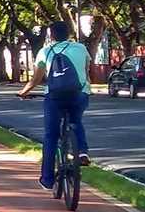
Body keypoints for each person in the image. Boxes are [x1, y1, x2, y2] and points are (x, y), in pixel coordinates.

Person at [17, 20, 91, 190]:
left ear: (51, 35)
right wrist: (87, 88)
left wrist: (24, 92)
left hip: (55, 96)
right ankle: (82, 152)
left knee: (51, 135)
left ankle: (47, 179)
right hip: (79, 94)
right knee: (76, 121)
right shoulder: (81, 48)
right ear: (69, 33)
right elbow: (86, 71)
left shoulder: (45, 51)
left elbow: (36, 79)